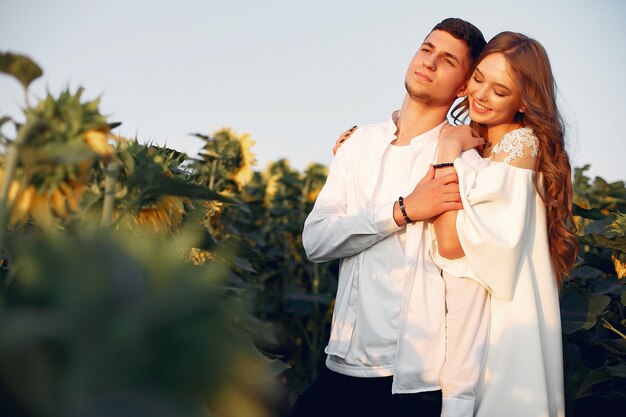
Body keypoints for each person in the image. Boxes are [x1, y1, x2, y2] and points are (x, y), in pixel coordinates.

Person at [285, 18, 487, 417]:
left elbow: (465, 285)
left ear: (464, 86)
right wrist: (403, 210)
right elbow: (316, 241)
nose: (428, 63)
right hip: (338, 365)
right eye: (426, 49)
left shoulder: (460, 157)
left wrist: (459, 399)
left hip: (414, 383)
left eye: (447, 60)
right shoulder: (358, 143)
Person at [428, 32, 577, 417]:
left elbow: (451, 243)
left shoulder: (521, 145)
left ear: (524, 101)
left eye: (499, 90)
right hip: (474, 317)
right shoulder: (483, 145)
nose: (480, 95)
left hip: (507, 318)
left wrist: (447, 151)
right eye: (478, 78)